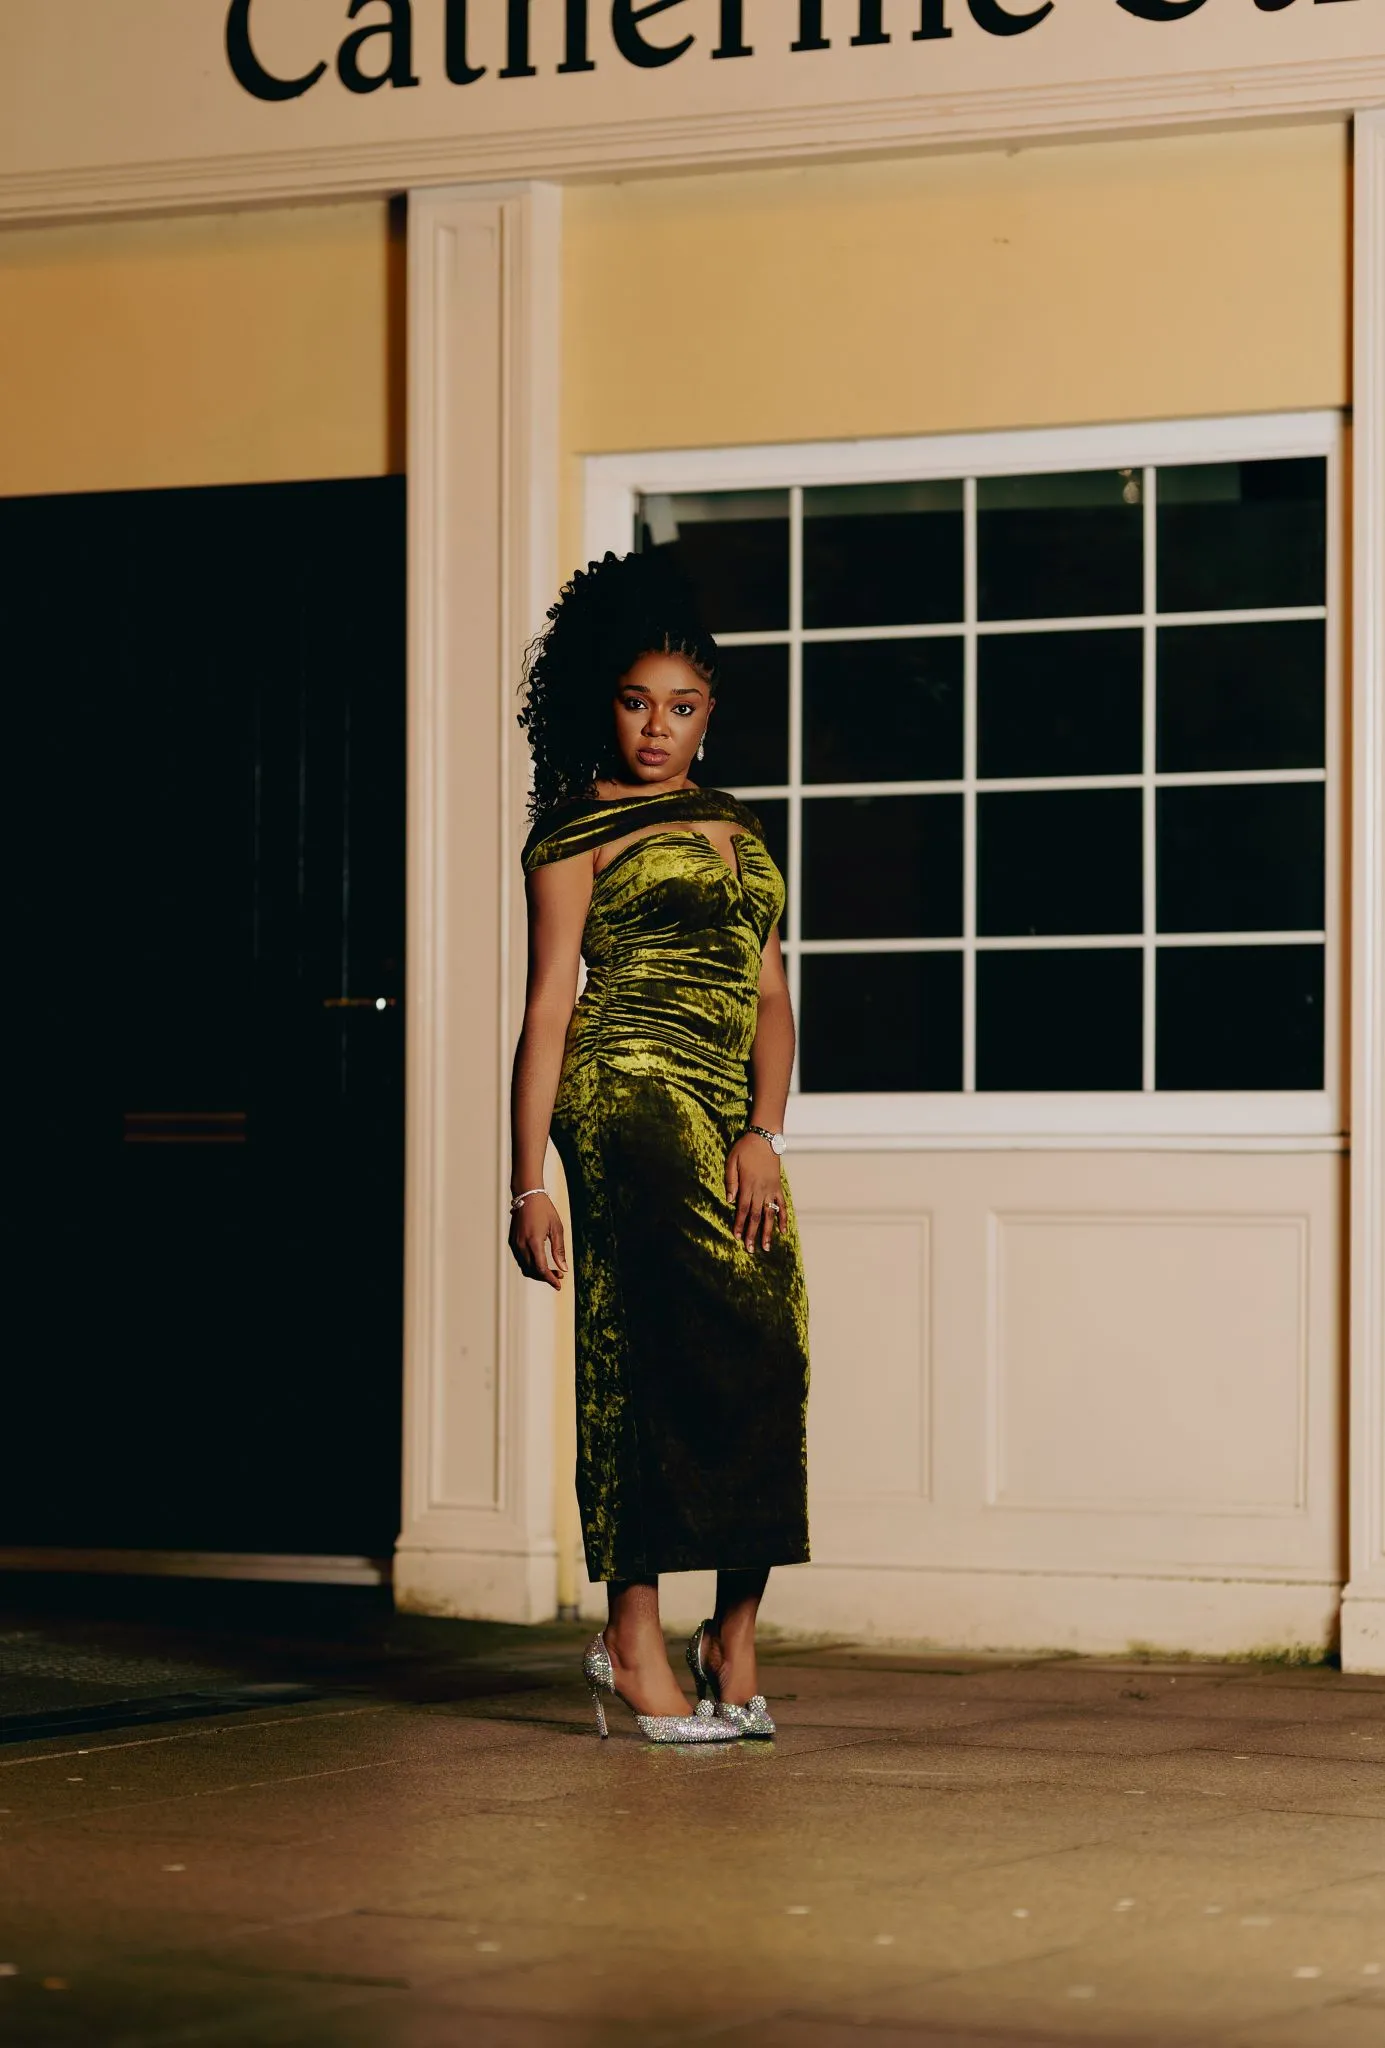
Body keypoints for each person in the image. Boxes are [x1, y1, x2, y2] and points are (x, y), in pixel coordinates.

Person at [508, 548, 810, 1744]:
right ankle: (631, 1633)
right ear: (605, 701)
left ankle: (729, 1632)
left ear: (708, 717)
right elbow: (546, 1003)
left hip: (722, 1109)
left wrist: (762, 1129)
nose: (655, 727)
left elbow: (772, 999)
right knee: (633, 1348)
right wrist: (527, 1178)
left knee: (767, 1342)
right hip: (620, 1091)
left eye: (679, 707)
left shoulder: (737, 823)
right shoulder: (576, 827)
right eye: (636, 701)